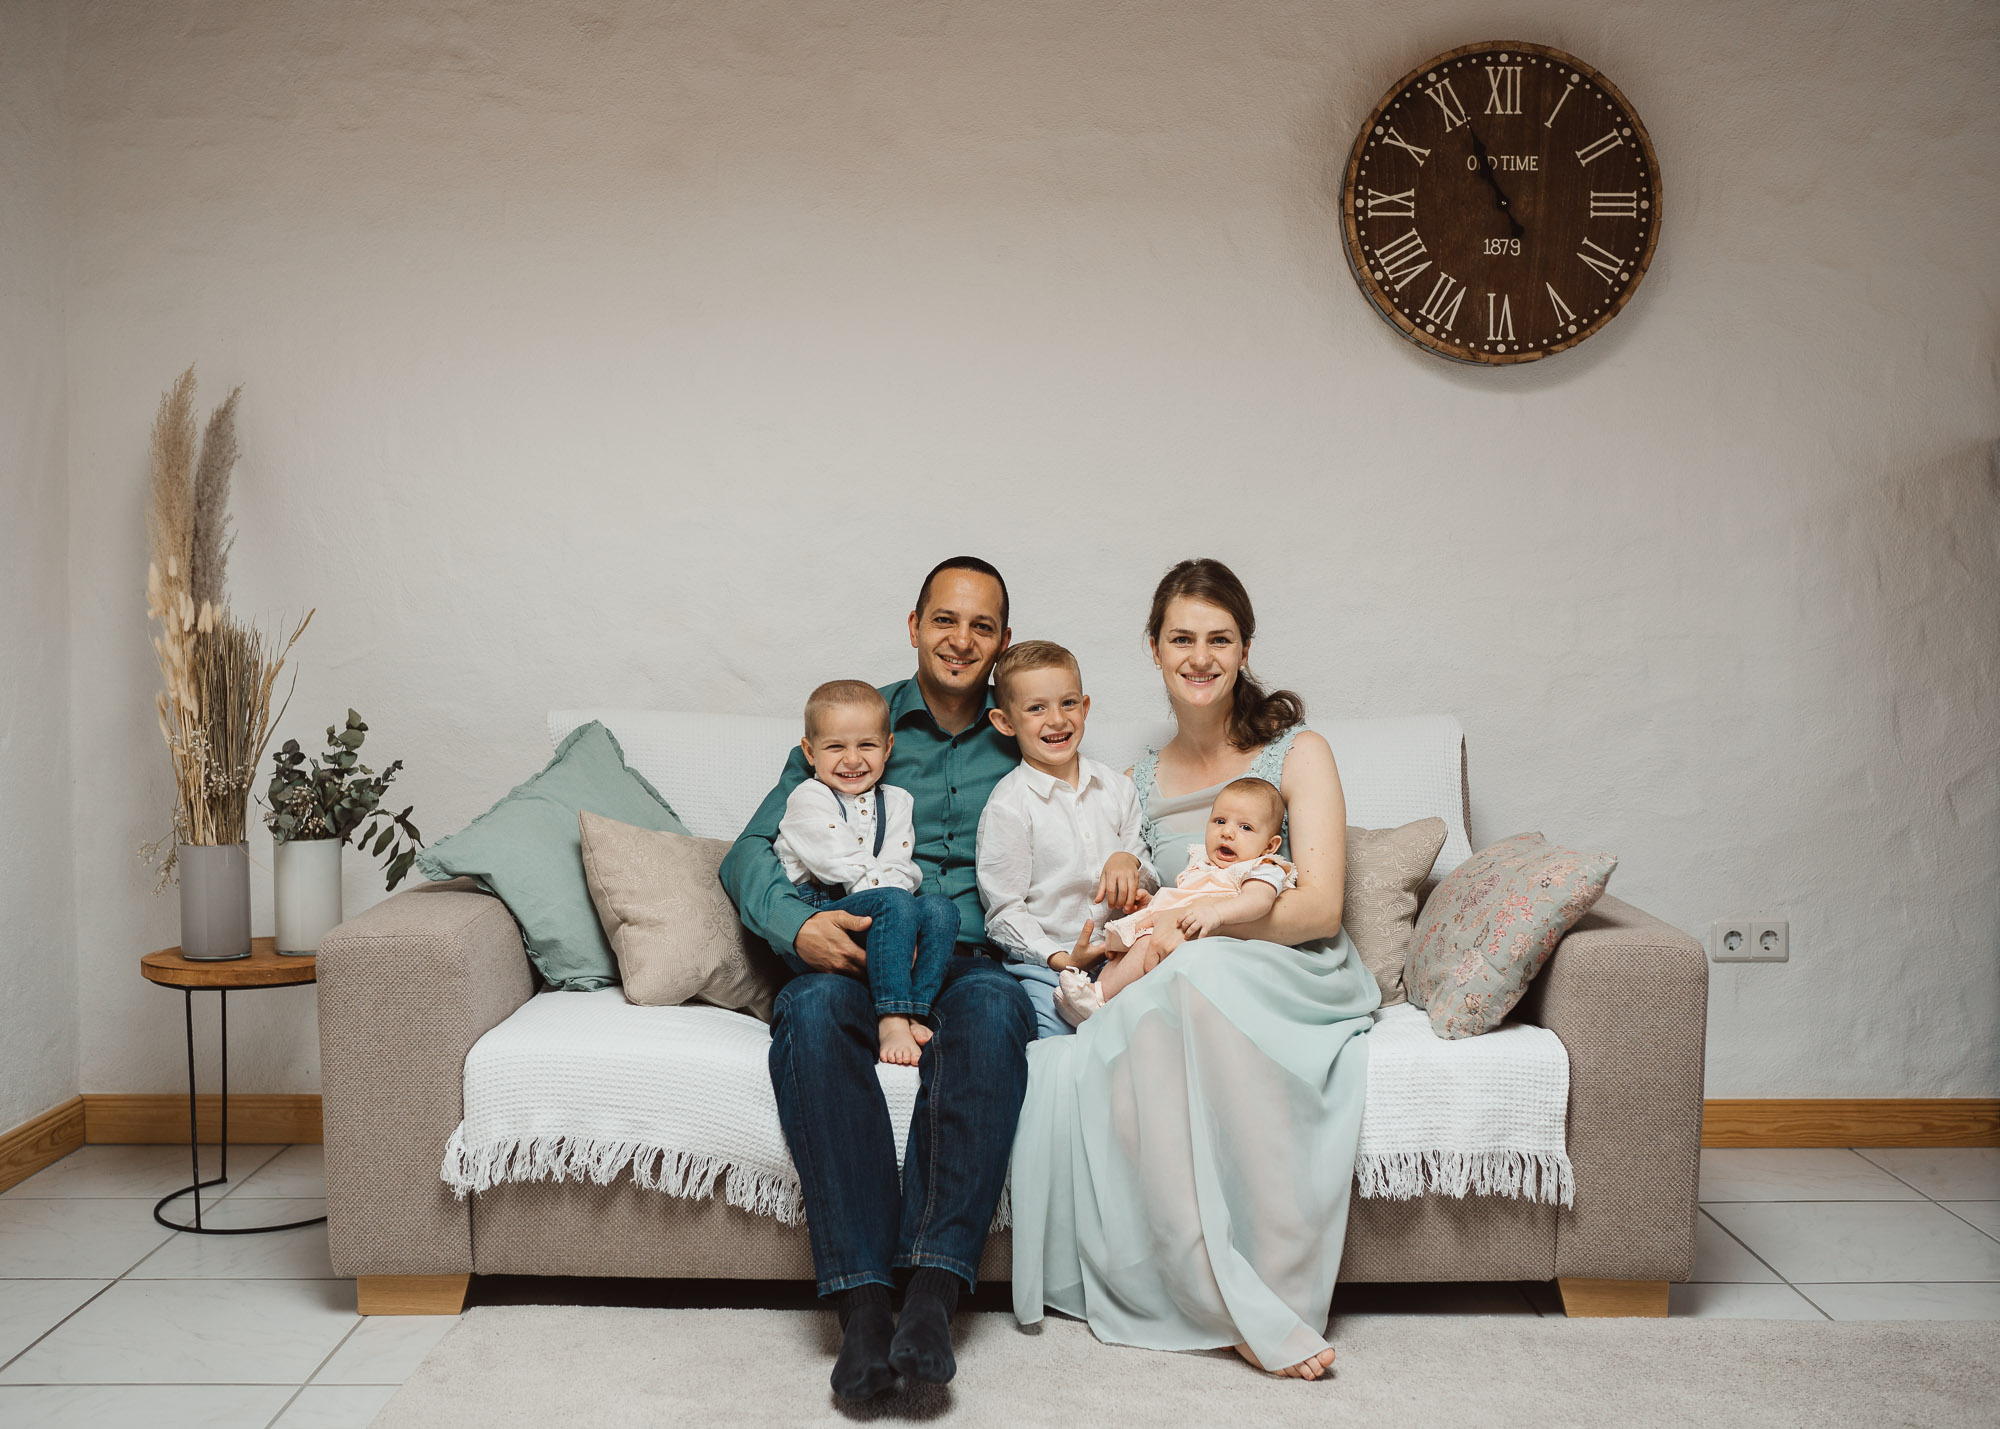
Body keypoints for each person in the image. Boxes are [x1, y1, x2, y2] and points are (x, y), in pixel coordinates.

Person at [1008, 557, 1380, 1382]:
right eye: (1182, 638)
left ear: (1245, 648)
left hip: (1287, 962)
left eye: (1220, 638)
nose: (1200, 656)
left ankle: (1261, 1285)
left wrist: (1201, 928)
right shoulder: (1135, 781)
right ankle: (1213, 1290)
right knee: (1125, 1026)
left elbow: (1320, 907)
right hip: (1176, 965)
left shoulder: (1298, 753)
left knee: (1186, 981)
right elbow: (1142, 900)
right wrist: (1121, 909)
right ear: (1154, 647)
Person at [719, 557, 1034, 1402]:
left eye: (981, 625)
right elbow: (750, 851)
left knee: (995, 1013)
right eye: (945, 619)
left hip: (969, 960)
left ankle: (930, 1297)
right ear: (915, 625)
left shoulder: (1026, 723)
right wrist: (797, 925)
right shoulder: (856, 722)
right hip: (857, 953)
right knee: (811, 1012)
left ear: (1003, 639)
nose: (961, 639)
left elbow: (1085, 813)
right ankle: (862, 1309)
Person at [770, 679, 961, 1065]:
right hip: (825, 919)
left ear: (888, 747)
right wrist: (900, 923)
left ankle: (914, 1010)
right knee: (895, 901)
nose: (853, 760)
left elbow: (898, 867)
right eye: (835, 747)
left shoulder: (897, 802)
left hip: (884, 916)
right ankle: (891, 1017)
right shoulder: (808, 798)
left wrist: (904, 924)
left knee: (941, 910)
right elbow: (838, 861)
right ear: (810, 751)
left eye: (867, 746)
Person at [972, 641, 1156, 1039]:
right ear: (1005, 722)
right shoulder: (1009, 805)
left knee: (1146, 1031)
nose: (1057, 720)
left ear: (1085, 707)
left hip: (1122, 957)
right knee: (1055, 1042)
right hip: (1048, 968)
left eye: (1068, 703)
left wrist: (1130, 862)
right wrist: (1061, 958)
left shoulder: (1117, 788)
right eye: (1037, 708)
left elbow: (1149, 876)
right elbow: (1004, 911)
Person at [1058, 775, 1294, 1019]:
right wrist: (1154, 903)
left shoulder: (1262, 867)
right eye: (1220, 821)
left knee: (1146, 943)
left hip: (1214, 941)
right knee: (1124, 950)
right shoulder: (1203, 862)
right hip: (1178, 925)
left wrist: (1216, 913)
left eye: (1245, 827)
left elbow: (1259, 901)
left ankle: (1101, 996)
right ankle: (1095, 996)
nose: (1227, 832)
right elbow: (1184, 896)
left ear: (1270, 846)